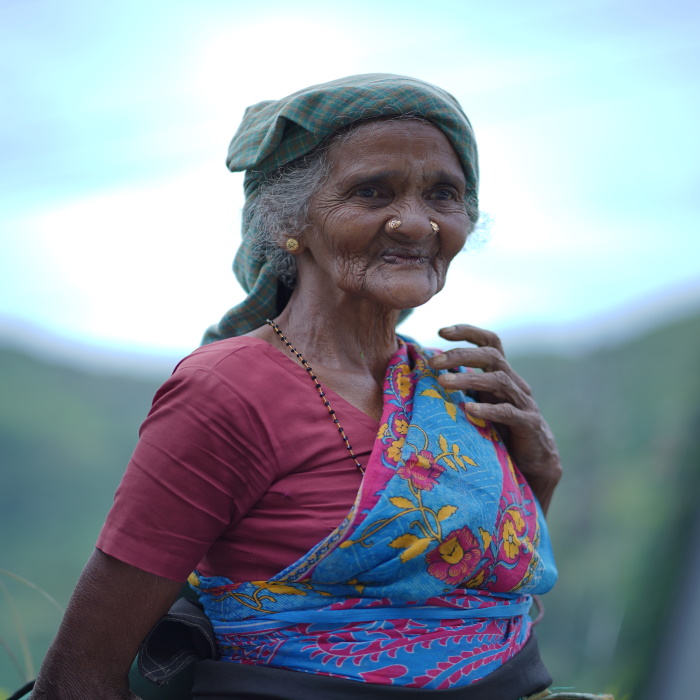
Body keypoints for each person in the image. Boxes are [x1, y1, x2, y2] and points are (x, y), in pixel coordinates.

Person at [32, 74, 581, 700]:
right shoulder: (227, 391)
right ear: (290, 221)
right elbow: (77, 676)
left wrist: (542, 471)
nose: (415, 222)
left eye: (443, 195)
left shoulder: (453, 384)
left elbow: (478, 593)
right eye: (372, 192)